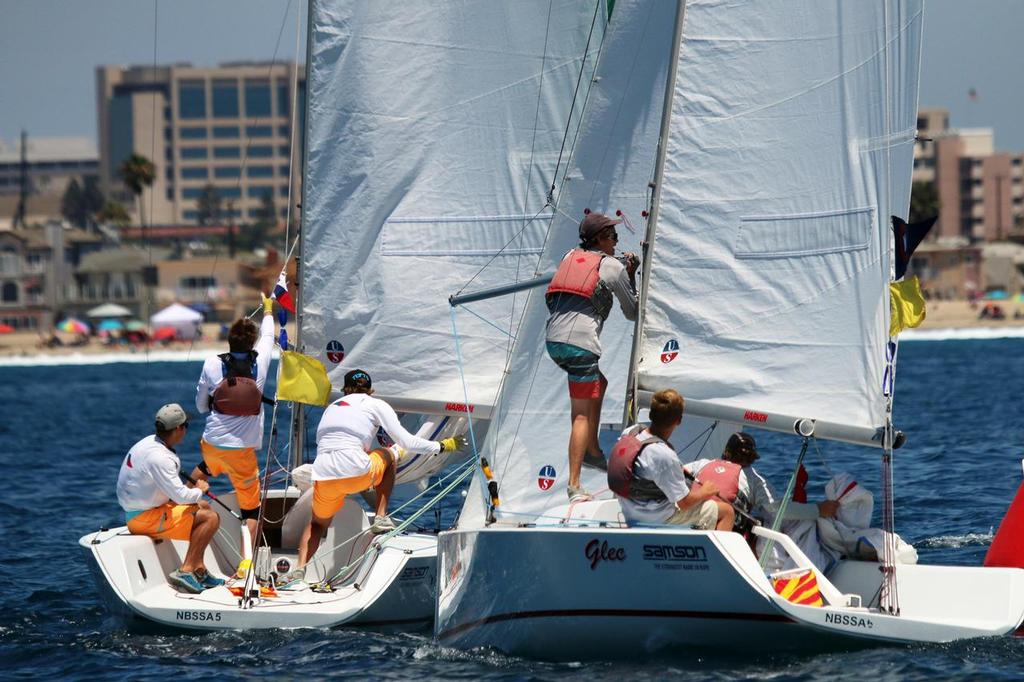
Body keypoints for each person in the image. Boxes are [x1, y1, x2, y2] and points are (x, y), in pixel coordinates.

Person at [286, 369, 465, 584]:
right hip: (357, 473)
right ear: (370, 390)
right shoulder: (375, 404)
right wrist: (442, 446)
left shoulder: (331, 407)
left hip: (324, 476)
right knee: (390, 453)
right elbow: (407, 441)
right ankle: (380, 517)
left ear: (344, 389)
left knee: (316, 525)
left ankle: (300, 568)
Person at [546, 211, 638, 502]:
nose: (616, 241)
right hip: (581, 347)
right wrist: (631, 274)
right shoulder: (612, 267)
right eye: (612, 236)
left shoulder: (568, 256)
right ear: (599, 238)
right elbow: (633, 311)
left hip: (554, 342)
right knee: (581, 415)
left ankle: (594, 450)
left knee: (601, 382)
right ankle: (574, 485)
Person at [191, 294, 276, 575]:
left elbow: (201, 405)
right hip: (241, 452)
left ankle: (185, 504)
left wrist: (214, 408)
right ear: (250, 343)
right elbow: (269, 334)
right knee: (251, 509)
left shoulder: (211, 364)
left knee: (202, 471)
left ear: (229, 341)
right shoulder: (260, 361)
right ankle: (246, 563)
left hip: (212, 444)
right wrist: (267, 308)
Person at [116, 403, 223, 594]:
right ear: (178, 429)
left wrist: (197, 495)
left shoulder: (149, 442)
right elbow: (182, 497)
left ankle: (198, 569)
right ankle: (186, 570)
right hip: (143, 519)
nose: (186, 430)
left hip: (143, 511)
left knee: (204, 506)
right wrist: (200, 488)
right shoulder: (161, 458)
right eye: (186, 426)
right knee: (210, 518)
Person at [608, 389, 734, 531]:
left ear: (650, 414)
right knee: (726, 511)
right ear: (679, 420)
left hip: (629, 512)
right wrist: (705, 491)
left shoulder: (631, 432)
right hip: (657, 519)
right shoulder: (664, 456)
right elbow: (684, 503)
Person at [687, 432, 839, 526]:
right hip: (724, 531)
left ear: (726, 452)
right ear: (752, 458)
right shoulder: (754, 479)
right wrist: (818, 510)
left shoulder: (702, 464)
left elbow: (676, 473)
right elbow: (778, 510)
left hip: (691, 520)